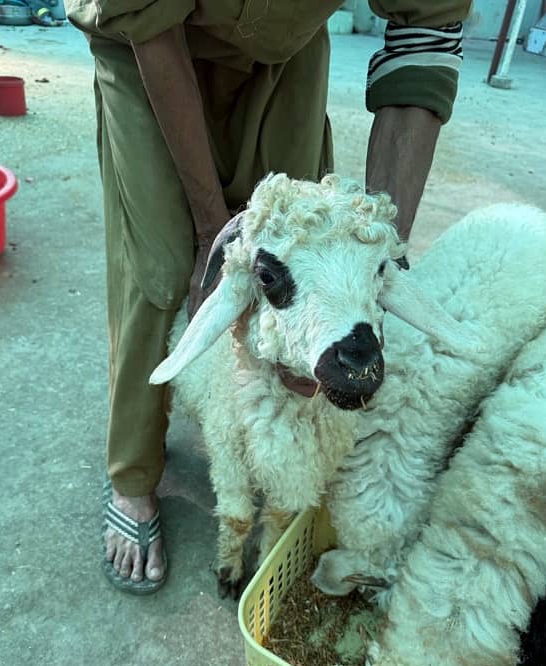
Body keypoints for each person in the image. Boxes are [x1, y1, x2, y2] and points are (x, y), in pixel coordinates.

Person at [65, 0, 471, 594]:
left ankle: (287, 457)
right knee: (164, 265)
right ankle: (132, 469)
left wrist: (375, 254)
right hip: (142, 39)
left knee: (302, 247)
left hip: (285, 47)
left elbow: (426, 27)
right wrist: (213, 232)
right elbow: (147, 16)